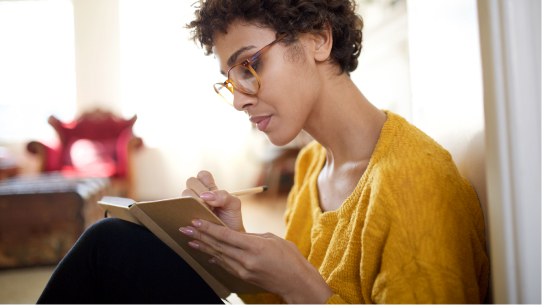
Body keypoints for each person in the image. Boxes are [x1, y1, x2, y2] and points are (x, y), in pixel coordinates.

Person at [38, 0, 489, 303]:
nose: (239, 97)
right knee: (116, 242)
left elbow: (303, 293)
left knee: (109, 248)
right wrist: (239, 247)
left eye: (250, 64)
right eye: (231, 78)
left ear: (318, 38)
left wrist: (304, 285)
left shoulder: (414, 186)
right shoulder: (315, 164)